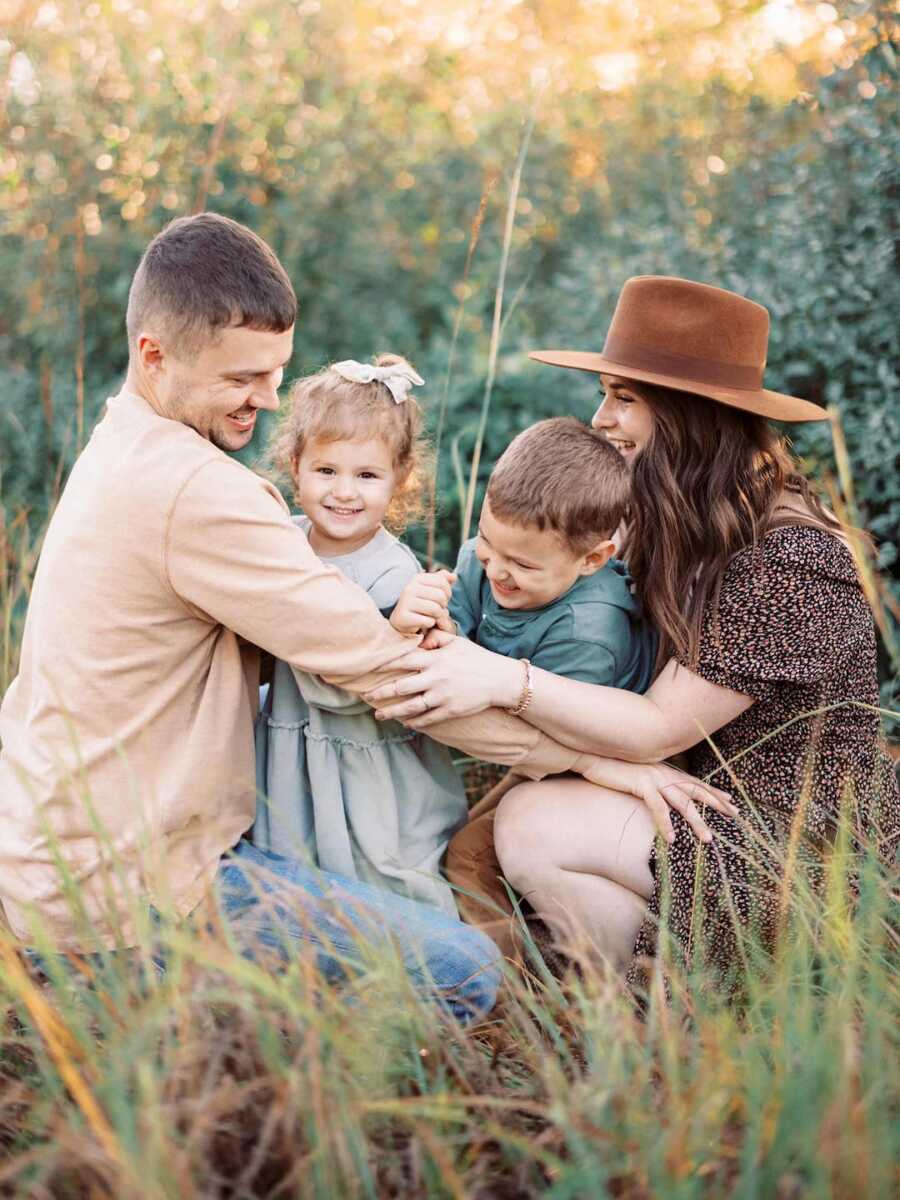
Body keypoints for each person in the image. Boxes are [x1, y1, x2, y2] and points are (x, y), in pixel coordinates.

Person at [0, 220, 727, 1023]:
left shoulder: (119, 444)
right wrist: (596, 762)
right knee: (463, 970)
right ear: (155, 355)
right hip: (130, 892)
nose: (269, 400)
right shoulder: (195, 491)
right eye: (244, 377)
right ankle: (243, 1038)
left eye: (277, 373)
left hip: (63, 853)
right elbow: (397, 678)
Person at [365, 275, 900, 983]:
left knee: (532, 824)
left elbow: (655, 728)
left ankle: (696, 1003)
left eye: (626, 399)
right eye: (603, 395)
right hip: (695, 802)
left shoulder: (789, 559)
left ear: (689, 414)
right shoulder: (666, 515)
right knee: (498, 833)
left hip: (802, 849)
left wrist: (502, 678)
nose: (603, 419)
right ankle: (627, 987)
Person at [414, 417, 657, 949]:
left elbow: (552, 745)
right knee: (450, 838)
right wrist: (437, 623)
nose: (497, 572)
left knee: (470, 855)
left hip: (591, 762)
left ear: (593, 559)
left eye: (521, 564)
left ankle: (502, 985)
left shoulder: (587, 632)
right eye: (487, 547)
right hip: (532, 744)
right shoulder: (493, 557)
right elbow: (452, 624)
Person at [252, 353, 467, 916]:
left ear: (400, 480)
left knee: (372, 867)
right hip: (295, 737)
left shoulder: (394, 573)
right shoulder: (284, 542)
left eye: (367, 475)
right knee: (296, 855)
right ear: (294, 465)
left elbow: (383, 686)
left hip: (361, 756)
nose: (343, 492)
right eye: (326, 470)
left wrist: (391, 631)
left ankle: (409, 963)